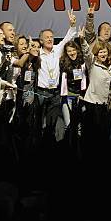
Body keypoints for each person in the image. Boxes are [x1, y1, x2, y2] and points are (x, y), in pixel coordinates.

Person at [36, 10, 77, 139]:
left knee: (52, 122)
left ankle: (52, 146)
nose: (49, 39)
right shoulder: (36, 53)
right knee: (39, 122)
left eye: (51, 37)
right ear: (41, 41)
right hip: (41, 92)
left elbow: (68, 38)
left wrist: (72, 25)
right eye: (46, 37)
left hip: (54, 93)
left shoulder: (57, 50)